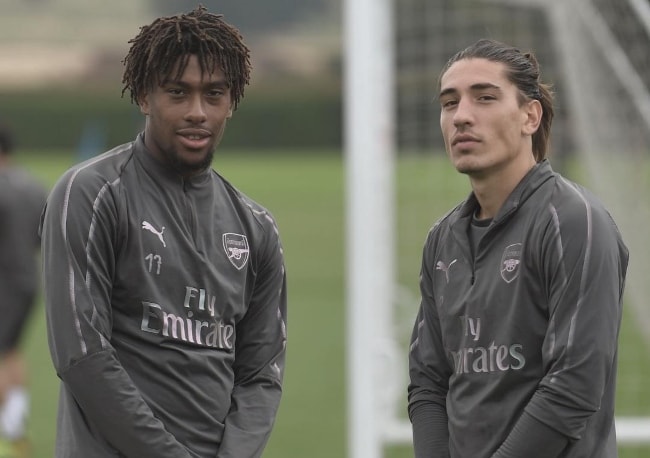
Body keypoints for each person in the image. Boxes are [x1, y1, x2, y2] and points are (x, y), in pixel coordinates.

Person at [39, 6, 287, 458]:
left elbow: (260, 374)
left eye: (214, 94)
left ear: (231, 101)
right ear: (144, 97)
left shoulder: (257, 229)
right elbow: (81, 354)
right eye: (178, 92)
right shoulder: (92, 194)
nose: (197, 111)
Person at [407, 38, 629, 458]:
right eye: (450, 103)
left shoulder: (573, 221)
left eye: (485, 98)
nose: (462, 117)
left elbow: (573, 387)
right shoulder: (442, 239)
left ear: (530, 115)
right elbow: (427, 381)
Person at [0, 122, 47, 458]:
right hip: (28, 283)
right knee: (11, 352)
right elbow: (41, 240)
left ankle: (11, 431)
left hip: (2, 284)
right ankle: (15, 429)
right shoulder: (33, 186)